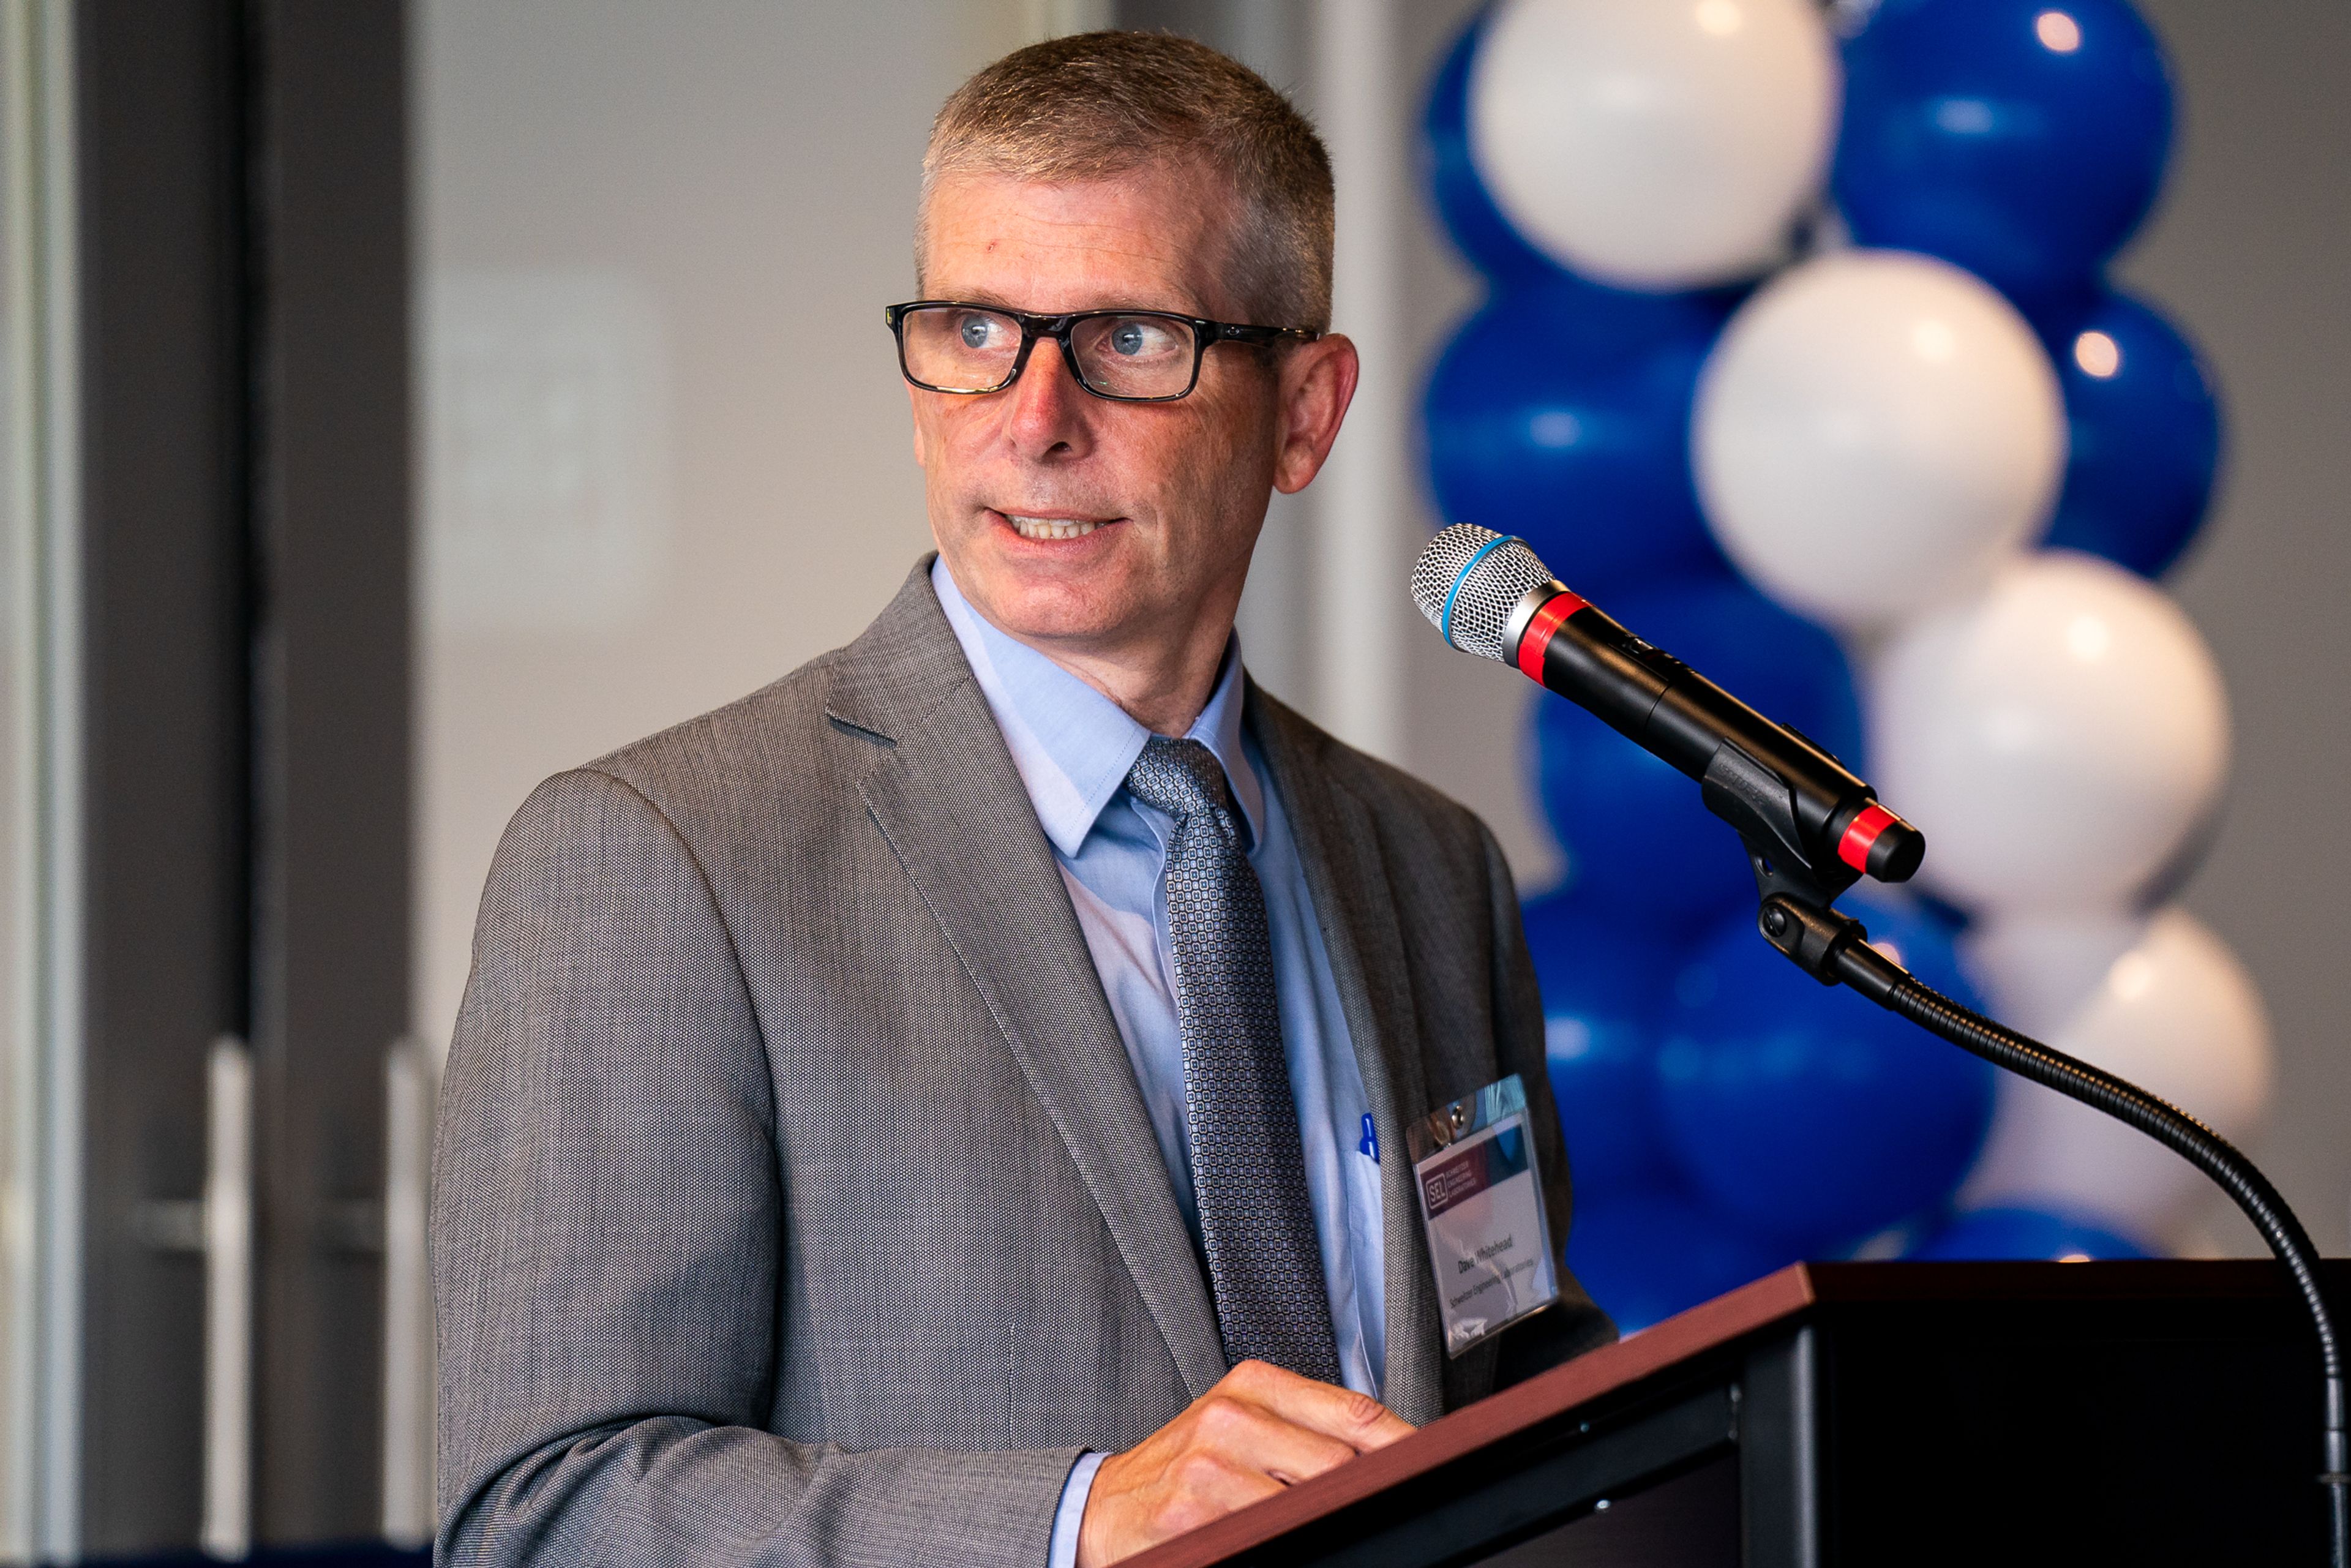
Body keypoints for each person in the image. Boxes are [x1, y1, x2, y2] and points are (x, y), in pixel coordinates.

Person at [433, 31, 1611, 1568]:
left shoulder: (1427, 864)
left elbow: (1506, 1356)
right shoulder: (660, 861)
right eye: (976, 326)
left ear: (1308, 412)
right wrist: (1073, 1526)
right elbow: (544, 1515)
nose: (1032, 416)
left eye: (1127, 337)